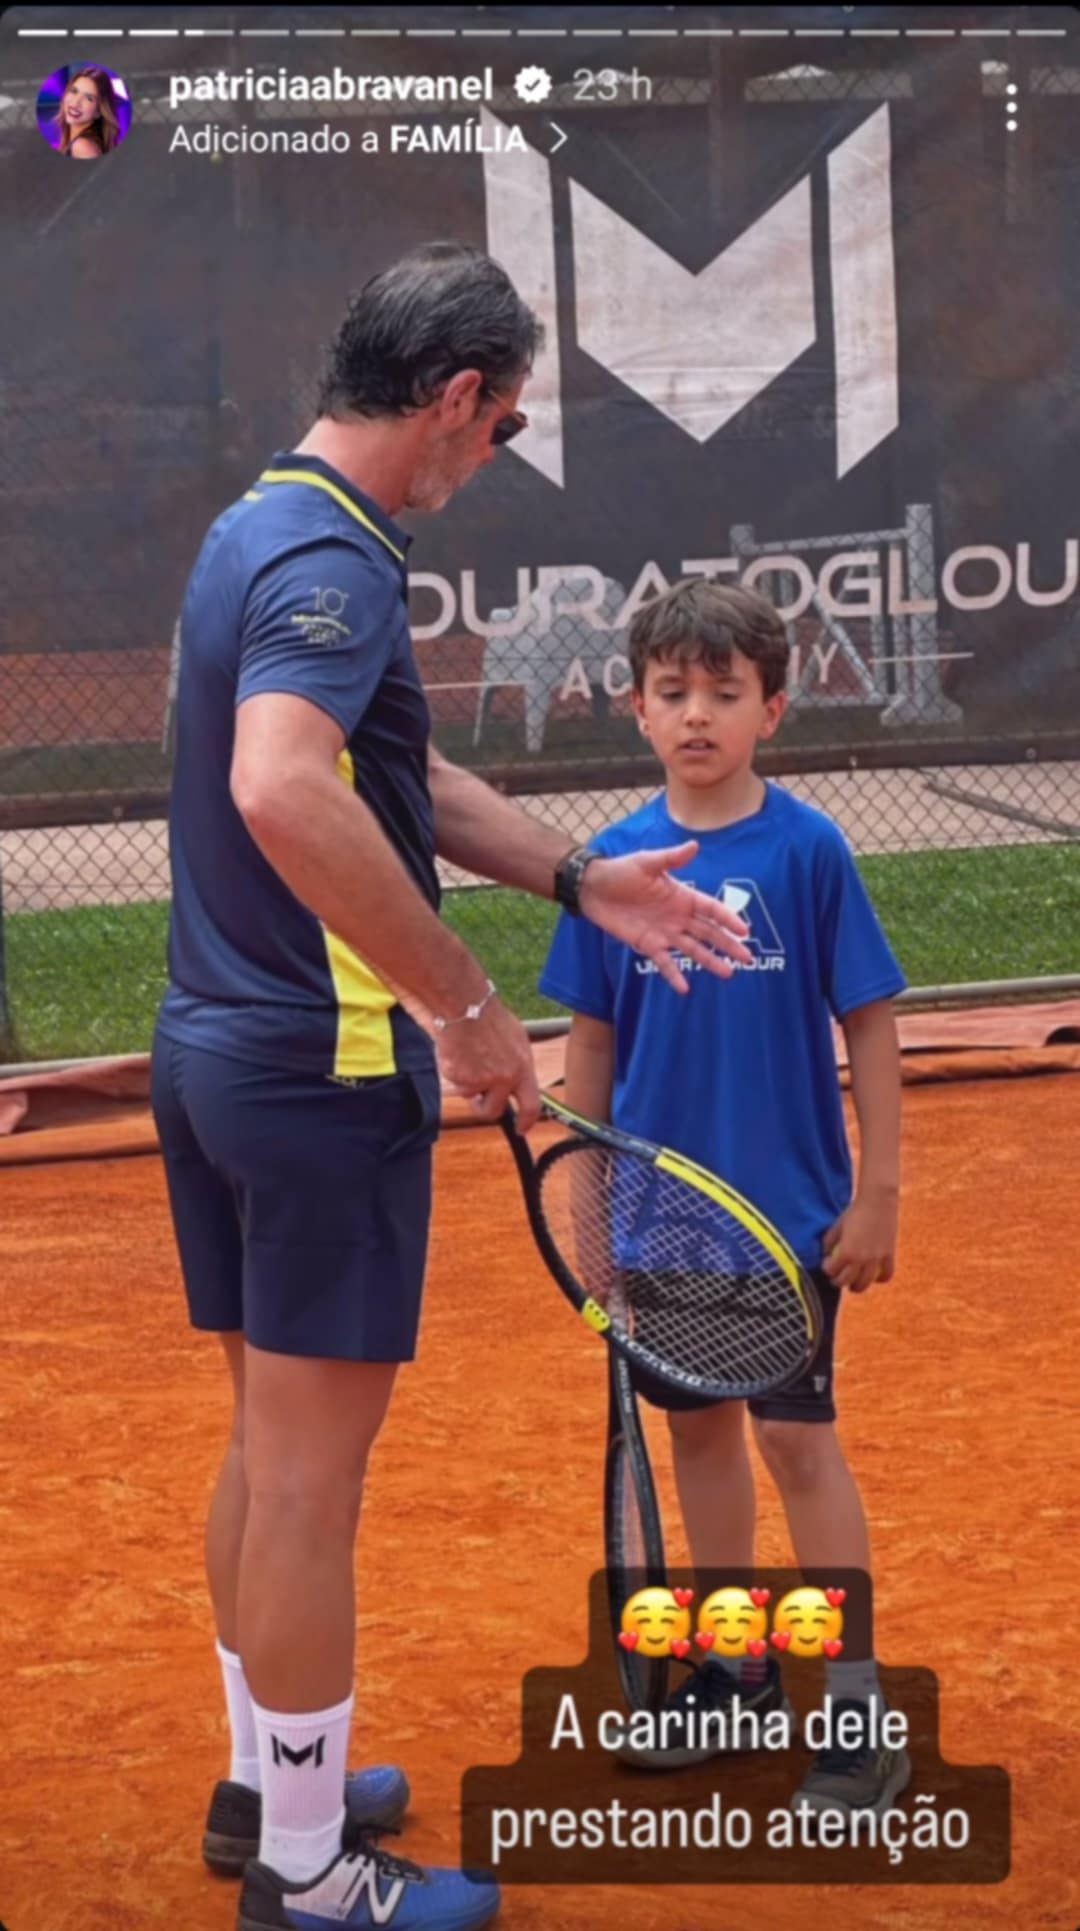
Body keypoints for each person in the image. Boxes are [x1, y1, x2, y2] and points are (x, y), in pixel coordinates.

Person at [150, 243, 752, 1931]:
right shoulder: (337, 565)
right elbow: (286, 788)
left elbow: (386, 774)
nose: (489, 460)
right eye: (500, 428)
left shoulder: (256, 526)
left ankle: (264, 1787)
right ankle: (310, 1871)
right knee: (307, 1484)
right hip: (326, 1072)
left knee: (265, 1454)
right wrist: (466, 1002)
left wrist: (581, 880)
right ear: (455, 400)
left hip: (216, 1053)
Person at [539, 577, 911, 1818]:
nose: (697, 714)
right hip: (660, 1216)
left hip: (789, 1214)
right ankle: (741, 1665)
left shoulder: (808, 850)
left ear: (774, 710)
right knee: (699, 1435)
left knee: (797, 1441)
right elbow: (588, 1050)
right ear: (636, 707)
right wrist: (588, 1210)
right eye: (672, 691)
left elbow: (870, 1018)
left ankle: (854, 1706)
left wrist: (880, 1193)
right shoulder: (607, 869)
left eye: (724, 692)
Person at [54, 65, 120, 158]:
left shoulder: (82, 146)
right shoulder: (78, 142)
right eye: (74, 91)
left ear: (99, 111)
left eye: (89, 98)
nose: (76, 102)